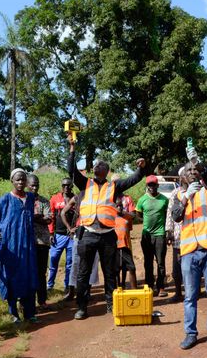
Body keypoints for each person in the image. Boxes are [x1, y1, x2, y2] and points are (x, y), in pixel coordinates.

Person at [67, 134, 146, 319]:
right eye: (94, 165)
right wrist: (72, 149)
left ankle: (111, 304)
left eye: (99, 165)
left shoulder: (114, 186)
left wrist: (141, 169)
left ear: (107, 170)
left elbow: (134, 179)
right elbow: (71, 170)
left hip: (108, 235)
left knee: (110, 272)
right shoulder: (84, 183)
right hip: (88, 233)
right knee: (83, 273)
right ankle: (82, 307)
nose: (96, 166)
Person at [171, 149, 207, 351]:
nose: (193, 172)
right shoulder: (178, 195)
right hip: (189, 251)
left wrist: (197, 160)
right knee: (190, 296)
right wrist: (186, 197)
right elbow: (176, 216)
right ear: (183, 175)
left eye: (196, 169)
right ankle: (191, 334)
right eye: (189, 169)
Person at [0, 169, 39, 323]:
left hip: (27, 245)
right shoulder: (5, 199)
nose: (20, 182)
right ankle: (14, 313)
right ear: (12, 181)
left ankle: (29, 312)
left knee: (29, 275)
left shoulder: (31, 198)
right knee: (12, 276)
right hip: (11, 245)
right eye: (17, 180)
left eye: (23, 180)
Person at [60, 191, 100, 301]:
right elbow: (63, 212)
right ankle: (72, 291)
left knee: (92, 263)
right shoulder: (78, 197)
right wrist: (69, 228)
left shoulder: (99, 196)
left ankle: (87, 292)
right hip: (80, 234)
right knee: (76, 263)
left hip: (95, 234)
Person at [136, 175, 169, 297]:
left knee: (161, 262)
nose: (152, 187)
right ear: (147, 186)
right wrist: (145, 222)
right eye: (149, 185)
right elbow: (138, 213)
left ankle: (161, 287)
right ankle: (149, 286)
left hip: (160, 235)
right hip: (147, 236)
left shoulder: (164, 200)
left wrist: (166, 231)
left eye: (154, 185)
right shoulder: (142, 200)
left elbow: (167, 216)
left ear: (157, 185)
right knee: (148, 262)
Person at [28, 173, 52, 309]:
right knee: (28, 272)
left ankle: (42, 300)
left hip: (42, 242)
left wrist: (33, 217)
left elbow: (49, 219)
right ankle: (27, 302)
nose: (35, 187)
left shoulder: (44, 201)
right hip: (27, 243)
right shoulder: (23, 200)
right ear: (27, 185)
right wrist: (38, 217)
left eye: (37, 185)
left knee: (41, 273)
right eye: (32, 185)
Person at [48, 178, 75, 293]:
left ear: (72, 186)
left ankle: (67, 286)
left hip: (71, 236)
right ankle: (50, 286)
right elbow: (51, 217)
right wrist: (51, 232)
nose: (66, 187)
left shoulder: (76, 198)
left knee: (70, 263)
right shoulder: (55, 199)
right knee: (53, 261)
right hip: (58, 235)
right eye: (64, 185)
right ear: (61, 186)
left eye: (68, 185)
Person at [165, 167, 187, 303]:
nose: (188, 176)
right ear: (180, 178)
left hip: (195, 236)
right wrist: (169, 231)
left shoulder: (198, 191)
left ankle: (194, 292)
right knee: (177, 266)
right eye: (185, 174)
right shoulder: (175, 193)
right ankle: (178, 292)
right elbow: (169, 213)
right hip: (179, 236)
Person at [115, 195, 137, 289]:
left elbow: (129, 230)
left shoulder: (127, 217)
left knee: (131, 267)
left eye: (121, 206)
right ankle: (117, 289)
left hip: (125, 246)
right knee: (116, 270)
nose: (119, 208)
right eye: (117, 206)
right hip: (115, 247)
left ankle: (134, 290)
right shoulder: (111, 218)